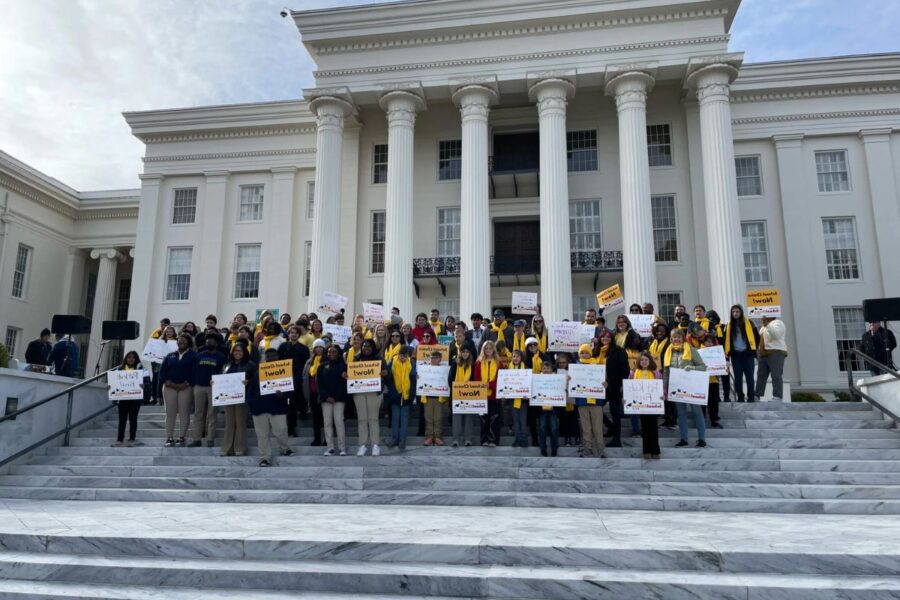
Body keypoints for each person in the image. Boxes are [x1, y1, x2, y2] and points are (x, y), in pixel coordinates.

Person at [249, 348, 295, 467]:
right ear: (265, 358)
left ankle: (285, 449)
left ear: (278, 358)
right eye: (268, 357)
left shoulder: (285, 372)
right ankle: (265, 458)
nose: (271, 359)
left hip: (278, 408)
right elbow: (251, 391)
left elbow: (291, 390)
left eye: (273, 356)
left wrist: (283, 395)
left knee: (282, 430)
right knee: (262, 436)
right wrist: (252, 405)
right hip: (259, 409)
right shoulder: (258, 372)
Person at [663, 327, 707, 448]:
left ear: (683, 338)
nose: (676, 339)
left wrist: (692, 368)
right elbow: (666, 372)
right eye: (674, 337)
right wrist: (665, 386)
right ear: (671, 338)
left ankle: (702, 439)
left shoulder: (691, 350)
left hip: (691, 386)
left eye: (678, 337)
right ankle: (684, 439)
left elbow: (703, 366)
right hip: (676, 386)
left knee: (697, 412)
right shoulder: (668, 352)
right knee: (681, 414)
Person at [159, 332, 197, 447]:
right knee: (170, 413)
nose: (181, 342)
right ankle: (169, 438)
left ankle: (181, 437)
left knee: (184, 413)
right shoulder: (170, 355)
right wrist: (166, 381)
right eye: (179, 341)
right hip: (169, 387)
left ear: (189, 343)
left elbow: (195, 371)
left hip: (185, 387)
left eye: (184, 341)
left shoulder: (193, 356)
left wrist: (187, 383)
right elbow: (162, 371)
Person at [351, 338, 387, 456]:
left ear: (373, 348)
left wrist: (385, 373)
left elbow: (388, 373)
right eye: (364, 346)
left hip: (374, 391)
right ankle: (363, 445)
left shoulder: (379, 359)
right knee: (362, 419)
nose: (366, 348)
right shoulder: (356, 358)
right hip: (359, 391)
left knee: (373, 418)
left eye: (368, 346)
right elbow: (351, 372)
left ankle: (375, 444)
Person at [190, 333, 227, 447]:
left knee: (212, 414)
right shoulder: (199, 355)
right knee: (198, 414)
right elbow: (193, 370)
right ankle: (197, 439)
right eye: (207, 340)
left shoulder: (221, 357)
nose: (209, 342)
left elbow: (224, 372)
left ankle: (210, 439)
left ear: (216, 343)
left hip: (214, 388)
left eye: (211, 340)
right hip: (199, 387)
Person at [599, 329, 630, 448]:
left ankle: (617, 439)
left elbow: (625, 369)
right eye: (603, 337)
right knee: (597, 408)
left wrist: (622, 384)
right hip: (601, 387)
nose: (605, 339)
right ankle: (611, 427)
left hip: (615, 386)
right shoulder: (597, 351)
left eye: (607, 337)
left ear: (612, 338)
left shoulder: (618, 351)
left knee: (615, 413)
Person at [220, 343, 252, 457]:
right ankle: (227, 448)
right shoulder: (227, 365)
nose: (237, 353)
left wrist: (249, 382)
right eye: (235, 351)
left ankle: (240, 448)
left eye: (240, 351)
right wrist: (214, 382)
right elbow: (221, 378)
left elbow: (255, 380)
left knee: (240, 423)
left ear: (244, 352)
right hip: (228, 398)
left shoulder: (250, 365)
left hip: (242, 398)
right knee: (229, 423)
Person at [278, 325, 311, 436]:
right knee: (287, 405)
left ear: (299, 335)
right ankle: (288, 428)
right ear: (288, 334)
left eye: (296, 333)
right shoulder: (282, 347)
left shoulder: (303, 348)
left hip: (298, 379)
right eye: (292, 332)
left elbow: (306, 365)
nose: (294, 334)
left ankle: (295, 425)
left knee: (296, 404)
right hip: (285, 380)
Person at [630, 351, 662, 459]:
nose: (644, 362)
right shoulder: (633, 373)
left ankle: (656, 451)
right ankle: (646, 451)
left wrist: (662, 396)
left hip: (653, 405)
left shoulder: (656, 373)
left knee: (653, 428)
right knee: (645, 428)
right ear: (638, 361)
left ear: (650, 361)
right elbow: (629, 388)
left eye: (646, 360)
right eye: (642, 360)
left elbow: (661, 387)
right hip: (641, 405)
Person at [318, 343, 348, 456]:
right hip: (326, 400)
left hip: (339, 399)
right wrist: (326, 396)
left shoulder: (344, 366)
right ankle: (330, 447)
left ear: (338, 353)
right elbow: (319, 384)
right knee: (327, 423)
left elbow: (345, 384)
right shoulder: (321, 366)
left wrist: (335, 397)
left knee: (339, 422)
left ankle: (342, 448)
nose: (331, 354)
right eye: (329, 352)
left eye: (334, 352)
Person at [575, 344, 605, 458]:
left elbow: (603, 382)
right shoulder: (576, 367)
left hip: (596, 402)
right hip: (582, 402)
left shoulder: (597, 366)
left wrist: (605, 384)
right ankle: (587, 448)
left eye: (586, 352)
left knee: (597, 427)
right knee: (586, 427)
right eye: (582, 352)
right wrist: (570, 379)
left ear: (590, 353)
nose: (584, 354)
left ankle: (600, 449)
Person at [112, 351, 146, 447]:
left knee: (133, 419)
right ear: (125, 359)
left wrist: (143, 385)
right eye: (128, 357)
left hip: (135, 399)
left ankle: (132, 438)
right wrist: (111, 387)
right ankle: (119, 439)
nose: (130, 359)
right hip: (123, 399)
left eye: (133, 358)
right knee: (122, 420)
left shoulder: (141, 370)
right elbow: (114, 383)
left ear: (136, 359)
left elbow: (147, 383)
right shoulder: (120, 370)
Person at [725, 305, 759, 402]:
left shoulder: (749, 323)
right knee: (738, 378)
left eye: (737, 311)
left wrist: (753, 350)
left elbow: (757, 337)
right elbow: (725, 341)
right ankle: (740, 397)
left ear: (741, 312)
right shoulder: (728, 325)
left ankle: (751, 397)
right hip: (736, 355)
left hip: (748, 355)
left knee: (749, 377)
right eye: (733, 312)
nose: (735, 313)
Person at [449, 342, 478, 447]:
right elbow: (450, 379)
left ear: (470, 353)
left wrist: (469, 387)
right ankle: (456, 439)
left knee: (469, 417)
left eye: (467, 352)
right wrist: (458, 388)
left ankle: (468, 439)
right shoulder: (455, 363)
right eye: (463, 352)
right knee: (456, 418)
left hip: (470, 395)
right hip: (457, 395)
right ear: (460, 353)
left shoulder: (473, 365)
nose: (465, 354)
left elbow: (475, 380)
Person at [387, 345, 416, 450]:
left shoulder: (411, 364)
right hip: (395, 394)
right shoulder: (392, 362)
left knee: (404, 419)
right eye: (401, 354)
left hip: (406, 395)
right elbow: (388, 379)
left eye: (404, 355)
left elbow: (413, 381)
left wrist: (411, 395)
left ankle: (402, 440)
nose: (402, 357)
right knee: (395, 419)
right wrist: (393, 392)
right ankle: (394, 438)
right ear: (398, 354)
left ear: (407, 355)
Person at [756, 316, 789, 400]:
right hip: (764, 353)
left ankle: (777, 396)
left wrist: (767, 324)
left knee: (776, 374)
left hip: (776, 352)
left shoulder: (778, 323)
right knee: (761, 375)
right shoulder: (764, 326)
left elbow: (776, 335)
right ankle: (757, 395)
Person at [302, 339, 328, 446]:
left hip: (324, 394)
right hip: (312, 393)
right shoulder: (309, 361)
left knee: (326, 418)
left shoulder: (327, 360)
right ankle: (317, 438)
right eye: (316, 347)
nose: (318, 349)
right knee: (316, 418)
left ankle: (327, 439)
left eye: (320, 347)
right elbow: (305, 376)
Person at [476, 340, 501, 447]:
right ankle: (484, 440)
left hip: (494, 396)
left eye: (490, 348)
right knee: (483, 420)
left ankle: (494, 440)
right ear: (483, 350)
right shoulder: (478, 362)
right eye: (486, 348)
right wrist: (482, 385)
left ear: (493, 349)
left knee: (494, 420)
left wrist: (490, 385)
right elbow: (476, 378)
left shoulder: (499, 363)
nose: (488, 350)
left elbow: (501, 379)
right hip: (482, 395)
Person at [421, 350, 448, 446]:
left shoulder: (444, 370)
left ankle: (437, 437)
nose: (433, 359)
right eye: (432, 358)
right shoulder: (424, 369)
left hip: (439, 397)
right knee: (428, 417)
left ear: (440, 359)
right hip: (427, 397)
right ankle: (429, 437)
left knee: (438, 418)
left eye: (435, 358)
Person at [536, 360, 561, 457]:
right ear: (541, 369)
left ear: (552, 369)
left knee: (554, 428)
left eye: (548, 368)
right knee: (542, 429)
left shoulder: (557, 379)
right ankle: (543, 448)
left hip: (553, 409)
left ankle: (554, 448)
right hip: (541, 409)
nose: (546, 370)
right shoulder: (537, 379)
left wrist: (566, 380)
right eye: (544, 368)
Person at [506, 349, 530, 448]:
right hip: (512, 399)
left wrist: (527, 393)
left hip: (523, 399)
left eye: (517, 356)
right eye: (514, 356)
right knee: (515, 420)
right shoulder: (507, 369)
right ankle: (517, 438)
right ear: (511, 358)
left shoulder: (526, 369)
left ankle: (523, 439)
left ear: (521, 358)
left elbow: (528, 383)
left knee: (523, 420)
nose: (515, 358)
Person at [555, 353, 579, 446]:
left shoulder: (574, 371)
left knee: (574, 419)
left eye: (564, 363)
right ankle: (567, 438)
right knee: (564, 419)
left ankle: (577, 438)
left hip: (572, 399)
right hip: (561, 399)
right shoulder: (555, 371)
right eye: (560, 363)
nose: (562, 364)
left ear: (568, 362)